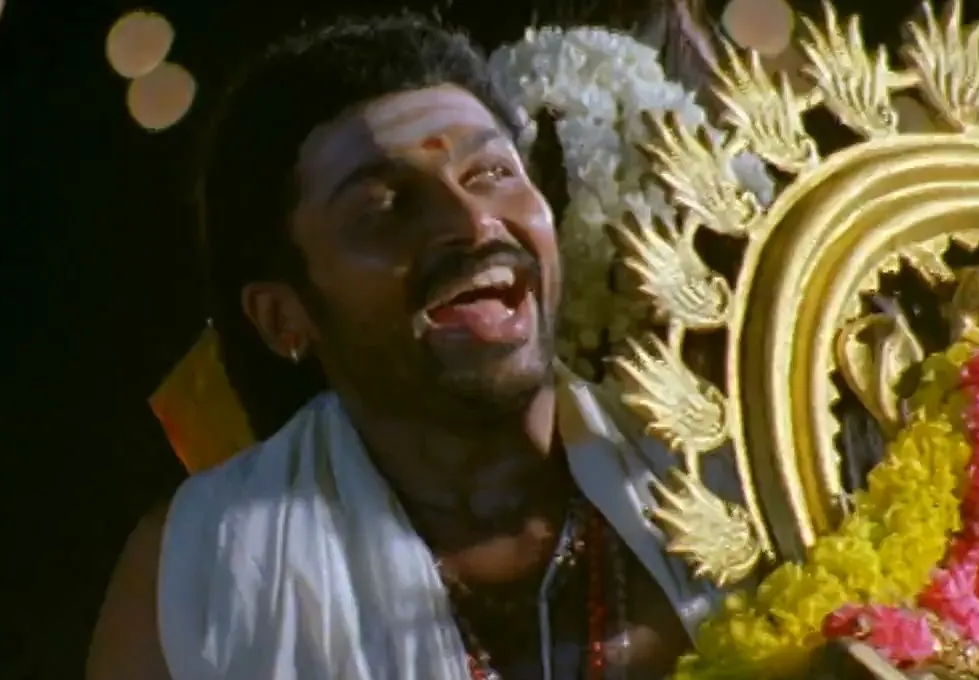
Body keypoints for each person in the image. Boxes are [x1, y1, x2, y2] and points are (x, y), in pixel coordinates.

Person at [86, 14, 730, 680]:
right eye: (385, 206)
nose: (472, 222)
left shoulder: (716, 469)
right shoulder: (201, 570)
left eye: (491, 172)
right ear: (283, 318)